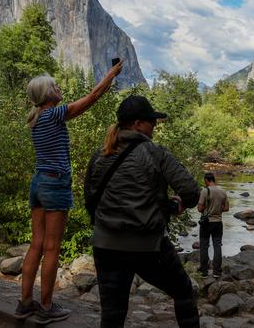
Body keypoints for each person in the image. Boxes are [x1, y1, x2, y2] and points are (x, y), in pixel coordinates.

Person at [15, 62, 124, 324]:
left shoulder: (36, 118)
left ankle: (25, 303)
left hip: (38, 182)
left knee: (36, 245)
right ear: (46, 95)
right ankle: (46, 306)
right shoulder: (53, 115)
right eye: (54, 86)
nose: (59, 87)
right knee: (52, 248)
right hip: (55, 184)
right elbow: (93, 97)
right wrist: (111, 74)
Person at [85, 95, 201, 328]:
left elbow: (90, 199)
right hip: (148, 247)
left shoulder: (100, 155)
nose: (155, 127)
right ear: (138, 124)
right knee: (183, 292)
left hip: (105, 245)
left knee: (112, 312)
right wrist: (178, 204)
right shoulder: (154, 153)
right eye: (152, 122)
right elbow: (191, 191)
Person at [198, 172, 229, 278]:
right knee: (217, 246)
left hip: (206, 223)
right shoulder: (223, 191)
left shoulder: (204, 191)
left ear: (207, 180)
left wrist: (207, 209)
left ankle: (204, 271)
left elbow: (200, 209)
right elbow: (226, 208)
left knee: (204, 247)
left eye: (204, 180)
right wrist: (217, 210)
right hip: (218, 223)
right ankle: (216, 271)